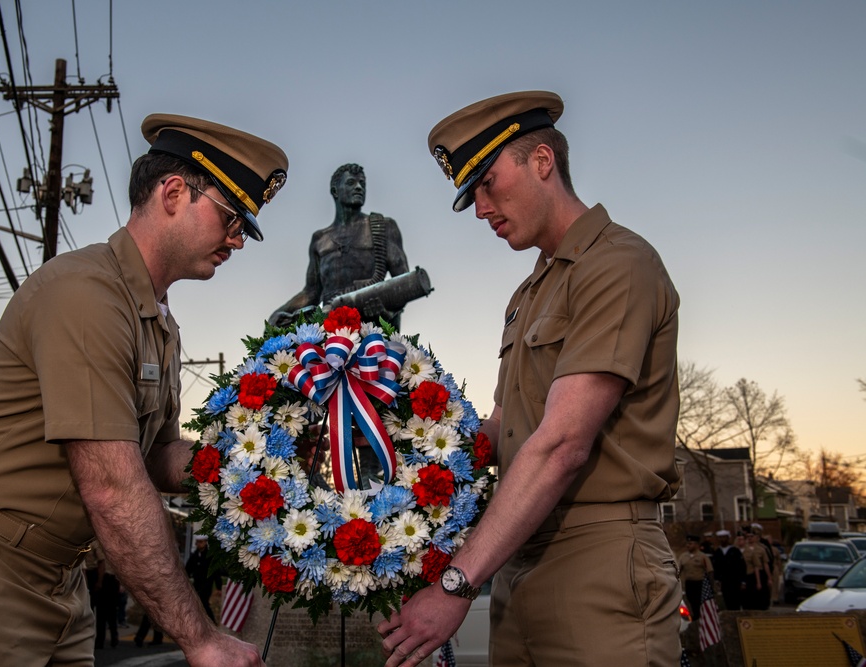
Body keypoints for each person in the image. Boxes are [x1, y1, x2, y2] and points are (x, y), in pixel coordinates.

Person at [0, 114, 288, 667]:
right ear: (172, 193)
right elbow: (114, 487)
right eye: (232, 216)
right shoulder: (87, 294)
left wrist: (257, 459)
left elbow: (157, 457)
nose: (238, 238)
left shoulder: (157, 321)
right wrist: (201, 638)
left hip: (59, 578)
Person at [378, 91, 682, 666]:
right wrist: (403, 453)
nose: (480, 209)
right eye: (471, 195)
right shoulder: (532, 291)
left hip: (599, 560)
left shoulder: (615, 264)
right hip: (516, 555)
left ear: (542, 162)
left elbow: (562, 443)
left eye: (489, 183)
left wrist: (455, 587)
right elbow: (505, 427)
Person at [268, 163, 410, 328]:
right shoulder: (320, 239)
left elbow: (404, 284)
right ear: (335, 191)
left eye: (362, 184)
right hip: (329, 327)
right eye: (351, 183)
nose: (359, 187)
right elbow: (312, 291)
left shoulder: (383, 226)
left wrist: (387, 310)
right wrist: (279, 313)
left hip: (373, 328)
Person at [186, 534, 221, 621]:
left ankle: (212, 622)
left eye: (201, 542)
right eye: (198, 542)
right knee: (197, 604)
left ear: (205, 542)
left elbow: (216, 572)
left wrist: (218, 587)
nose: (199, 544)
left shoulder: (210, 556)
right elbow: (188, 569)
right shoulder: (194, 556)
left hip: (207, 584)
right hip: (197, 583)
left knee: (204, 603)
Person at [710, 529, 746, 610]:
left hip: (735, 580)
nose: (722, 540)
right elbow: (715, 567)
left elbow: (742, 566)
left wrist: (743, 581)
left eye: (724, 537)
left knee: (735, 601)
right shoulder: (718, 552)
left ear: (728, 538)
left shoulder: (735, 551)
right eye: (720, 538)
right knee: (727, 599)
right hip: (724, 581)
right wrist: (717, 579)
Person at [678, 535, 714, 615]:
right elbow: (678, 571)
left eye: (690, 543)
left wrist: (711, 586)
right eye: (687, 543)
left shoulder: (703, 556)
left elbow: (710, 571)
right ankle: (695, 619)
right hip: (689, 584)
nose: (688, 545)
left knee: (701, 605)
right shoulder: (683, 556)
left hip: (700, 584)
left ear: (696, 544)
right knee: (692, 604)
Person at [741, 528, 772, 610]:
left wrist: (769, 578)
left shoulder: (761, 549)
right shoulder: (743, 549)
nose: (750, 538)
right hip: (748, 573)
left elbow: (765, 563)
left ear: (756, 537)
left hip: (760, 573)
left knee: (761, 593)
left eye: (752, 536)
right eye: (748, 537)